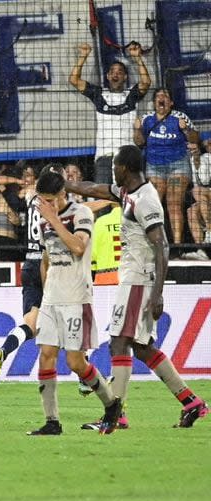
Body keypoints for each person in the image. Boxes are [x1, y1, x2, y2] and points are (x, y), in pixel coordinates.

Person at [65, 144, 208, 428]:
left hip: (139, 279)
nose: (112, 171)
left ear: (124, 168)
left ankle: (116, 414)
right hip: (134, 278)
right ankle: (192, 403)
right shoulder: (128, 192)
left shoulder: (146, 200)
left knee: (119, 341)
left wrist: (158, 295)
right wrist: (66, 185)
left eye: (115, 166)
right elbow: (96, 188)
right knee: (142, 346)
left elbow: (162, 246)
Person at [27, 170, 122, 435]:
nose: (45, 205)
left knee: (75, 363)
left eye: (49, 199)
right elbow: (47, 259)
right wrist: (47, 292)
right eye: (41, 200)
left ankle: (111, 403)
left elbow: (79, 248)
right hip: (52, 299)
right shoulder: (46, 219)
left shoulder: (81, 214)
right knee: (46, 356)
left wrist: (54, 220)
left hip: (76, 298)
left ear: (61, 195)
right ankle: (52, 422)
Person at [0, 163, 58, 385]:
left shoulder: (28, 196)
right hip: (48, 263)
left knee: (30, 325)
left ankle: (3, 351)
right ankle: (85, 374)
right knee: (67, 315)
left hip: (28, 263)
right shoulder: (54, 201)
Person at [69, 42, 151, 183]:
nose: (115, 74)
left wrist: (137, 58)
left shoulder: (131, 95)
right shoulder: (99, 94)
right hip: (104, 157)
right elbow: (74, 80)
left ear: (125, 77)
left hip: (127, 157)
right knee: (104, 199)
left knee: (131, 198)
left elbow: (146, 82)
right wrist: (83, 56)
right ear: (107, 76)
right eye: (112, 72)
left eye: (119, 72)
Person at [133, 88, 200, 249]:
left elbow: (195, 138)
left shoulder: (180, 117)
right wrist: (137, 129)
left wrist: (185, 129)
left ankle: (176, 246)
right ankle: (156, 245)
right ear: (154, 102)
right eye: (158, 97)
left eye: (165, 96)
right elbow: (139, 142)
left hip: (178, 164)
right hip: (155, 166)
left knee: (174, 203)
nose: (161, 99)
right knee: (154, 205)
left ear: (171, 103)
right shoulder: (146, 119)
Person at [184, 136, 211, 260]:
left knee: (197, 190)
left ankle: (210, 231)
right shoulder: (199, 159)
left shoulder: (207, 158)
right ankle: (202, 250)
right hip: (204, 197)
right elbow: (199, 182)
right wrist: (196, 161)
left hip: (205, 193)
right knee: (191, 211)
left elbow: (204, 181)